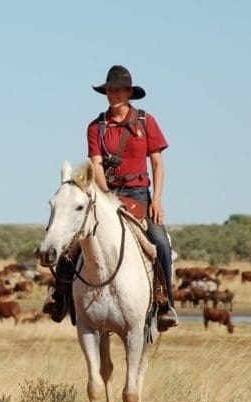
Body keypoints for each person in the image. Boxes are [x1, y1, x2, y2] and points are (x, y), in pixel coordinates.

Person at [45, 65, 178, 331]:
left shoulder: (145, 122)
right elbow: (95, 164)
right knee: (72, 244)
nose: (113, 94)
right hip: (108, 193)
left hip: (139, 194)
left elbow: (157, 164)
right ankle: (59, 297)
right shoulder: (96, 126)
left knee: (161, 243)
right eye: (109, 90)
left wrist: (158, 200)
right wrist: (105, 197)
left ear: (129, 92)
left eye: (118, 90)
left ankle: (165, 303)